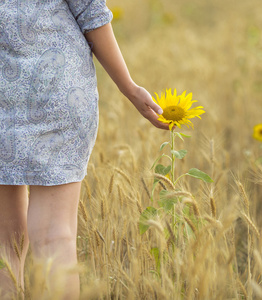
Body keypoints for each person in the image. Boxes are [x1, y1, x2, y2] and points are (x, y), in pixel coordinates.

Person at [0, 1, 169, 298]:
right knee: (53, 238)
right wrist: (129, 88)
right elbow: (90, 11)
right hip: (59, 93)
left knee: (4, 243)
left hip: (29, 95)